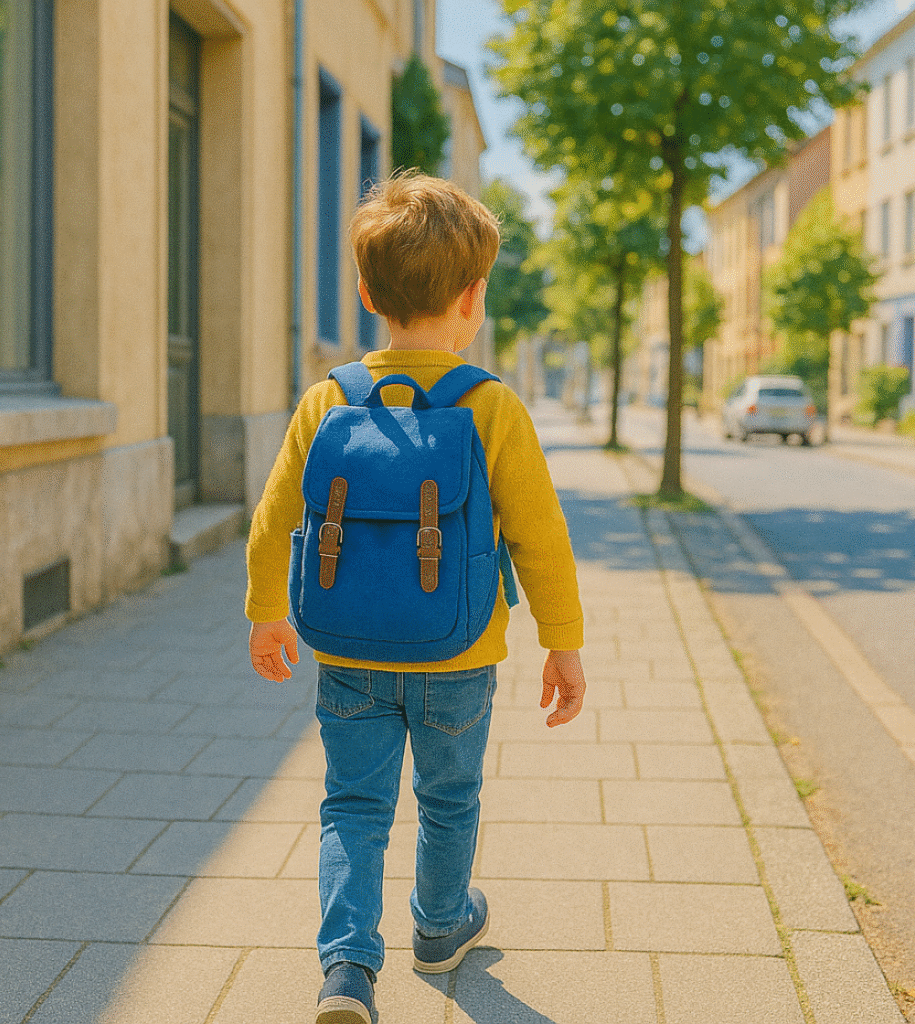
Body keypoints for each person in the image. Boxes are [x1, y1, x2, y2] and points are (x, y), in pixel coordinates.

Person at [245, 171, 586, 1024]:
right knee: (449, 798)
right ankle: (439, 928)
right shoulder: (492, 408)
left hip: (347, 648)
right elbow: (542, 539)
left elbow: (271, 519)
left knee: (352, 805)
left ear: (367, 294)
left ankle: (347, 970)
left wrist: (265, 613)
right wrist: (563, 641)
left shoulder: (328, 400)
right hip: (459, 653)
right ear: (474, 299)